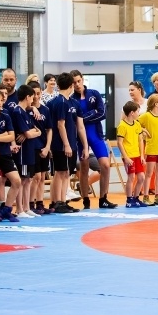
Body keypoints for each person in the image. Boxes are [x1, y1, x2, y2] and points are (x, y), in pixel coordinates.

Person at [71, 70, 117, 209]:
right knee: (84, 168)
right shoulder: (72, 99)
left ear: (83, 79)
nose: (77, 84)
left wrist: (83, 118)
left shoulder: (94, 93)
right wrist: (91, 114)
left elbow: (102, 113)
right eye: (74, 82)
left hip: (95, 134)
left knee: (105, 165)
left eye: (79, 81)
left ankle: (103, 198)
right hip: (81, 137)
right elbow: (74, 121)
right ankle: (86, 200)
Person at [47, 72, 88, 214]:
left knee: (66, 173)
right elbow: (60, 125)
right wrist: (66, 144)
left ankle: (62, 201)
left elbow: (80, 126)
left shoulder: (74, 103)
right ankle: (58, 202)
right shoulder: (59, 102)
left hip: (71, 141)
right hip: (61, 144)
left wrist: (85, 146)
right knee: (60, 172)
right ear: (71, 85)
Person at [0, 88, 22, 221]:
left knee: (16, 180)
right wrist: (3, 136)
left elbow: (11, 136)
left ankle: (7, 209)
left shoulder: (5, 116)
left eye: (1, 100)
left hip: (5, 153)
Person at [11, 84, 42, 218]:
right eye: (32, 96)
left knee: (28, 179)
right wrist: (35, 132)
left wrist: (35, 131)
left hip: (29, 150)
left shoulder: (25, 111)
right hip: (22, 151)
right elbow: (28, 133)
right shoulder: (17, 111)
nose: (33, 99)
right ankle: (19, 209)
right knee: (22, 179)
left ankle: (27, 207)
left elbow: (34, 130)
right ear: (27, 97)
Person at [138, 93, 158, 206]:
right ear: (156, 104)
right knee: (149, 173)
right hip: (152, 148)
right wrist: (143, 130)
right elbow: (136, 123)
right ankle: (146, 196)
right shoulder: (146, 116)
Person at [26, 81, 53, 216]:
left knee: (42, 177)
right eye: (33, 94)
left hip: (43, 147)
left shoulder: (45, 110)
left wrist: (47, 147)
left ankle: (40, 203)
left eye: (38, 93)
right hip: (32, 147)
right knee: (35, 177)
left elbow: (49, 130)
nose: (36, 96)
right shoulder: (26, 110)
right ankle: (30, 203)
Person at [117, 101, 147, 208]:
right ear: (131, 113)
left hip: (137, 155)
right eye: (138, 111)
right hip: (128, 156)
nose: (139, 113)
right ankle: (129, 200)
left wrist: (142, 156)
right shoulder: (122, 126)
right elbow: (119, 142)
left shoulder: (137, 124)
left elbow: (140, 141)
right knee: (131, 177)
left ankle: (136, 198)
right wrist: (125, 157)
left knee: (141, 177)